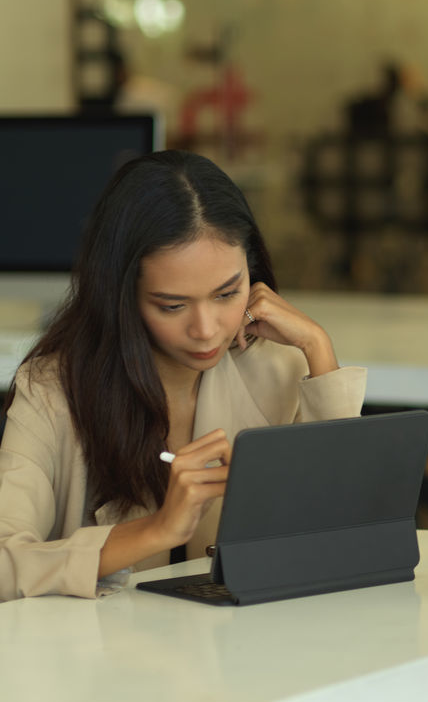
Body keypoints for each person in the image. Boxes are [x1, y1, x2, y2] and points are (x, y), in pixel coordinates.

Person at [0, 151, 367, 600]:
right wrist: (156, 530)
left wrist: (318, 348)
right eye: (172, 305)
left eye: (227, 293)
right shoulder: (53, 389)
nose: (206, 329)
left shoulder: (279, 368)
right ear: (122, 294)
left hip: (246, 658)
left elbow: (346, 540)